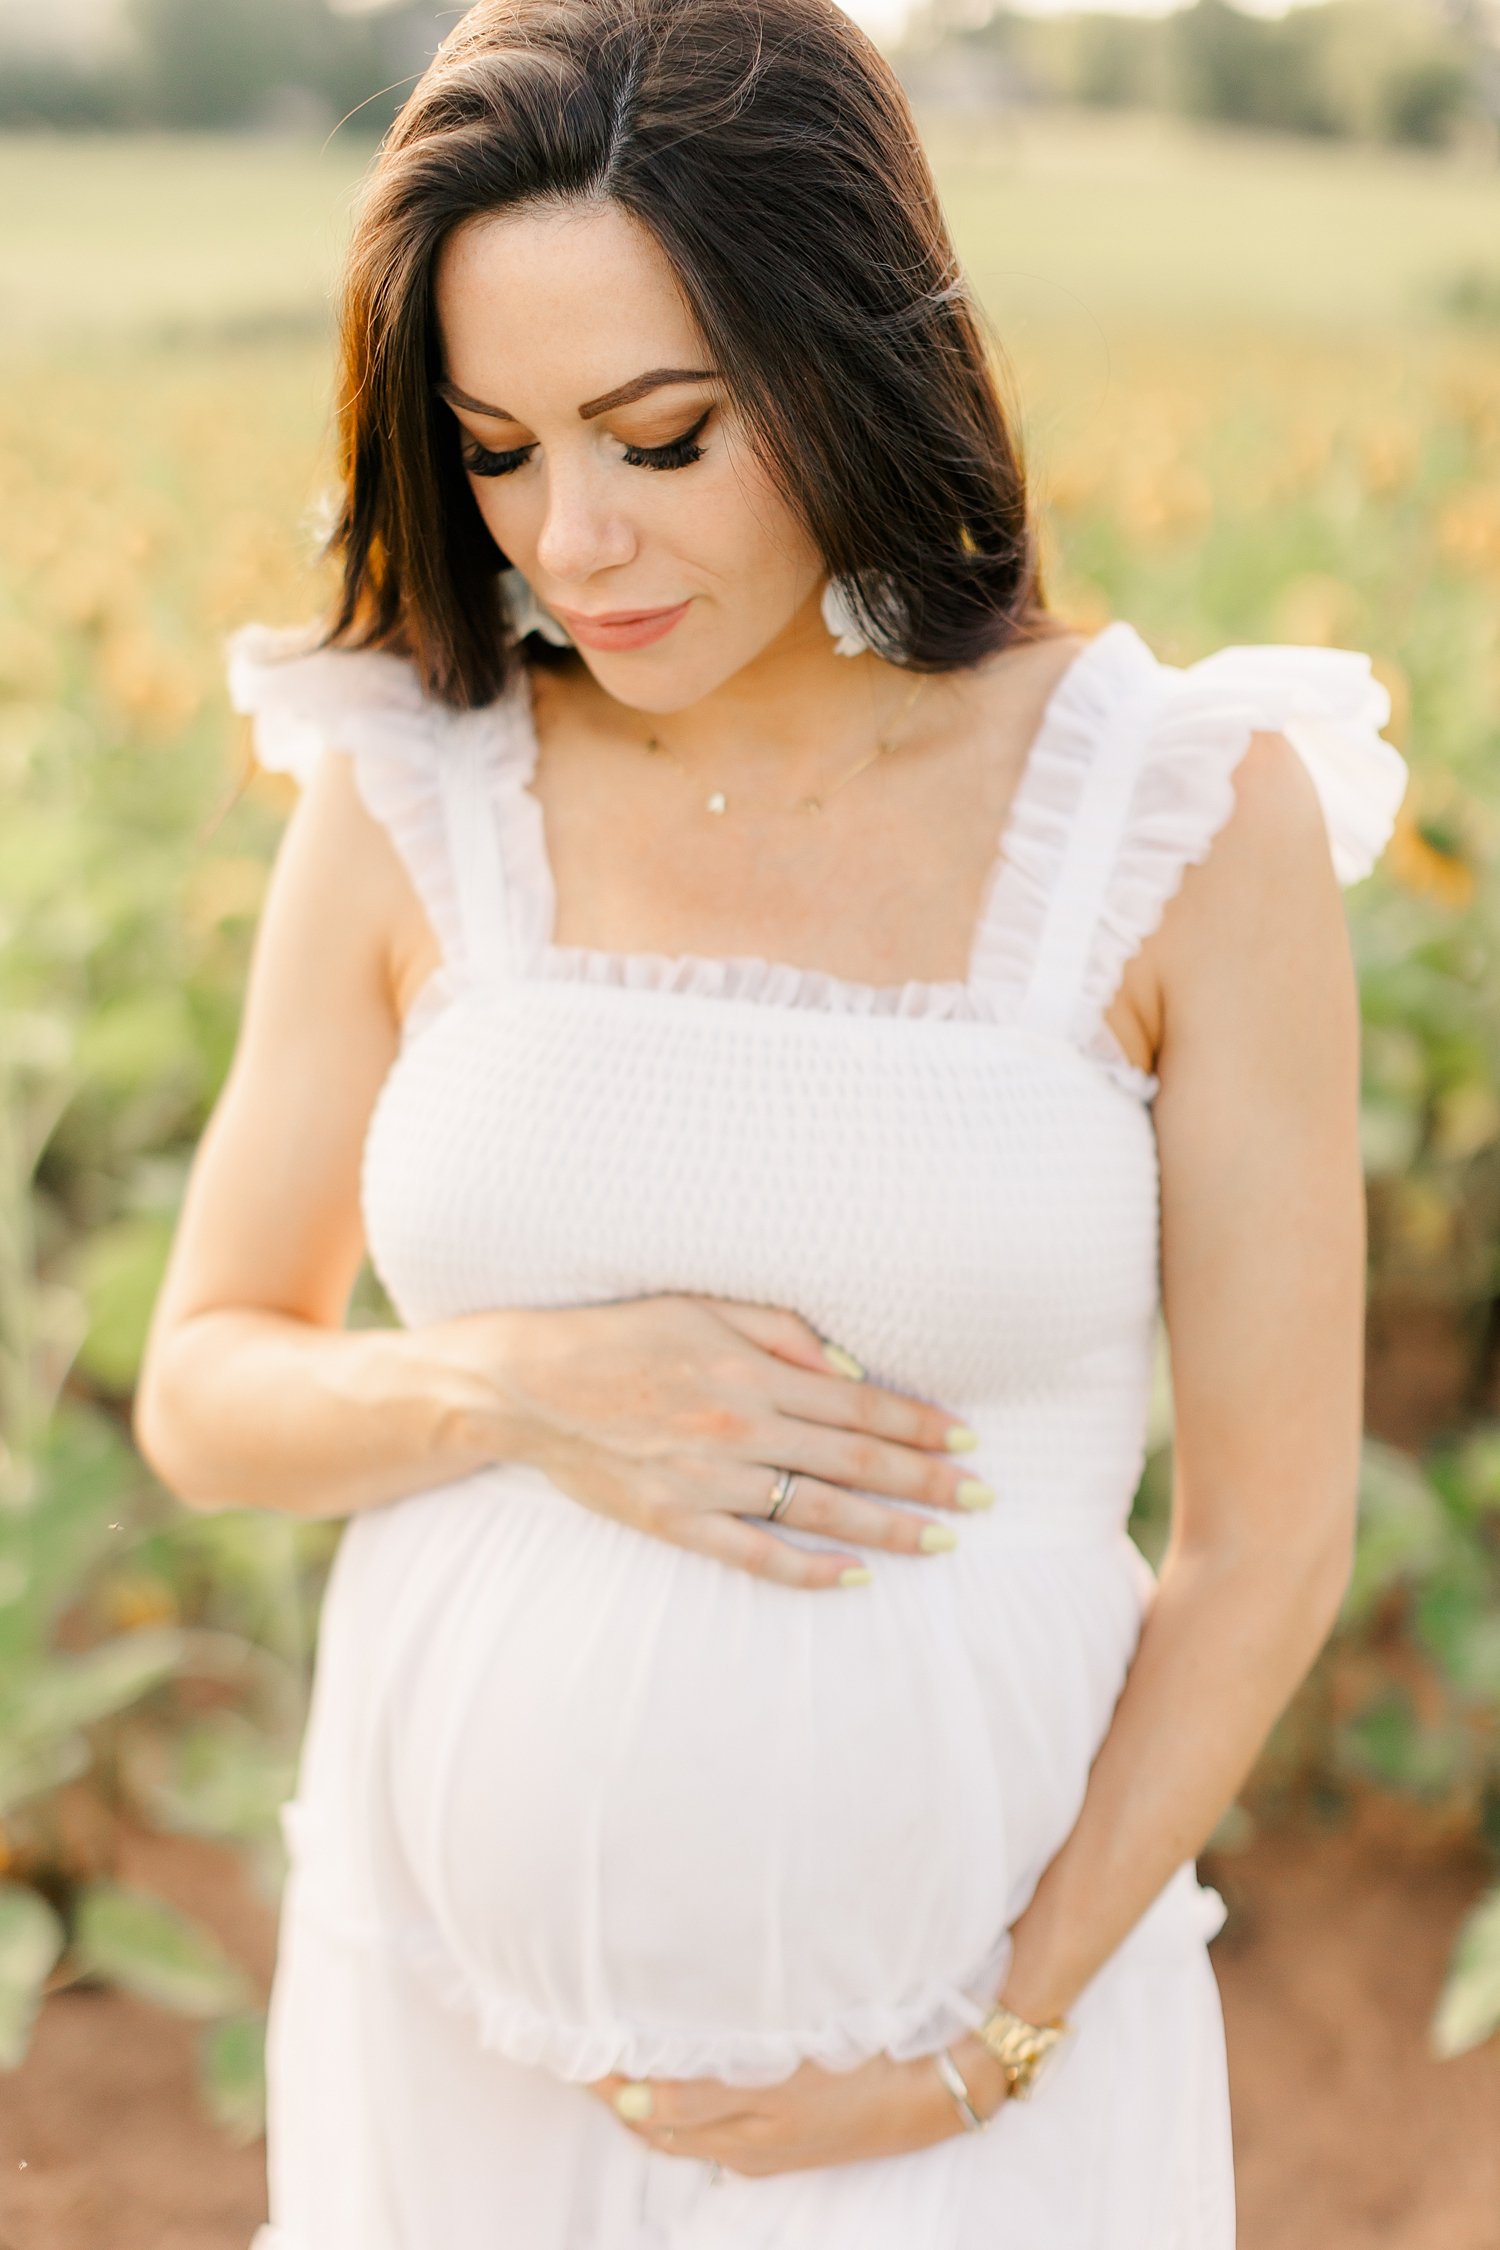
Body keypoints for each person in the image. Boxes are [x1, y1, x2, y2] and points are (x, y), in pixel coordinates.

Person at [133, 0, 1409, 2242]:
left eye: (660, 435)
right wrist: (511, 1386)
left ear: (841, 359)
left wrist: (987, 2041)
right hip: (453, 2057)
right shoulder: (417, 785)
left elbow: (1266, 1542)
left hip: (965, 2090)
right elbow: (208, 1385)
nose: (577, 539)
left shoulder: (1180, 811)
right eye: (500, 446)